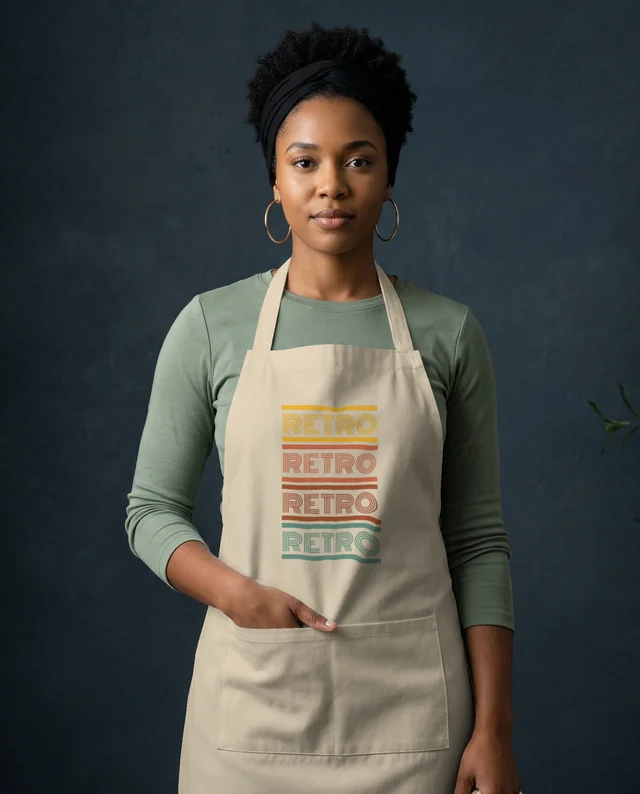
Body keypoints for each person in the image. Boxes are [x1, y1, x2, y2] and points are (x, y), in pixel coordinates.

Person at [125, 21, 522, 794]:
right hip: (251, 721)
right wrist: (234, 593)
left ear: (389, 176)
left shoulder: (449, 333)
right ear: (275, 180)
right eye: (304, 162)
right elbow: (151, 511)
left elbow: (477, 544)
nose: (330, 185)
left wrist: (494, 731)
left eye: (358, 161)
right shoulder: (211, 326)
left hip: (414, 727)